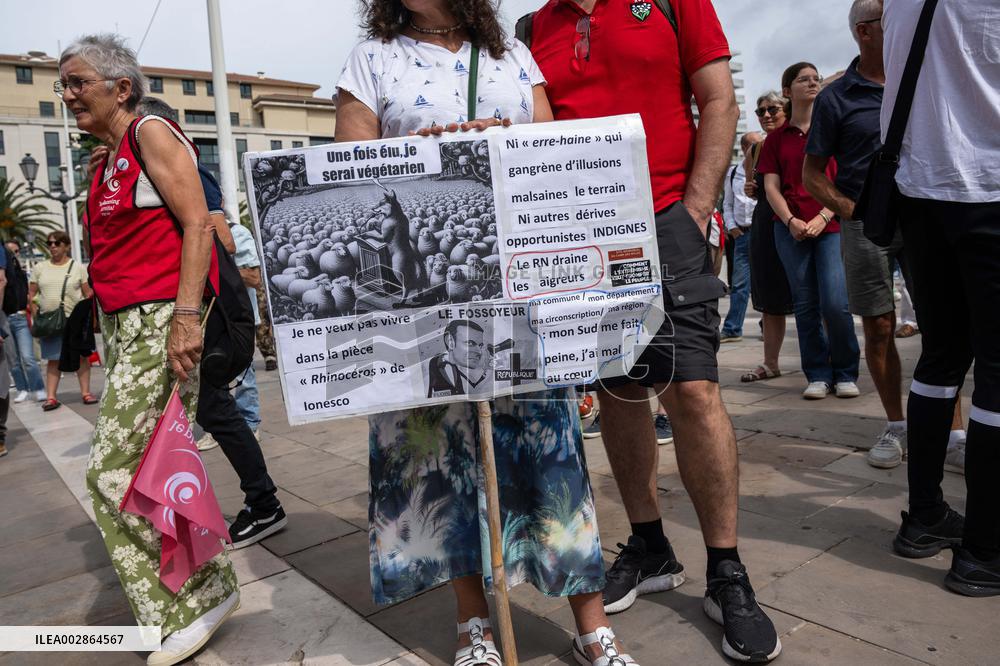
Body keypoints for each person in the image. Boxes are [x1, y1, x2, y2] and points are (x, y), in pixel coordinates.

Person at [336, 3, 630, 665]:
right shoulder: (370, 60)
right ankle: (473, 622)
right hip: (423, 290)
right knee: (438, 452)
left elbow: (553, 157)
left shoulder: (512, 56)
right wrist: (430, 155)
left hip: (518, 279)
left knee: (551, 444)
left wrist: (499, 138)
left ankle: (593, 623)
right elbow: (350, 171)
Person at [527, 1, 781, 661]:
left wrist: (696, 209)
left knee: (692, 390)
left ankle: (725, 567)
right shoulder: (537, 26)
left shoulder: (675, 2)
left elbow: (719, 100)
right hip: (581, 233)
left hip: (669, 217)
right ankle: (649, 544)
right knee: (617, 392)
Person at [62, 34, 238, 665]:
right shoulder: (102, 162)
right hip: (123, 327)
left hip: (163, 320)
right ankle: (201, 591)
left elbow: (198, 223)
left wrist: (186, 318)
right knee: (149, 468)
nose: (68, 93)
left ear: (122, 88)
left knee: (109, 473)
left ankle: (198, 596)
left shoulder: (150, 135)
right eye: (65, 84)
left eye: (79, 81)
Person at [881, 0, 999, 596]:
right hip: (988, 186)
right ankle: (985, 550)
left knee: (941, 358)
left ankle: (924, 516)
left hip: (920, 194)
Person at [802, 0, 908, 465]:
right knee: (880, 326)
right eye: (891, 23)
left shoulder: (919, 80)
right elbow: (812, 174)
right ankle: (896, 425)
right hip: (867, 226)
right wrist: (852, 211)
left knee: (947, 330)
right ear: (866, 32)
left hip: (927, 217)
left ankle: (954, 433)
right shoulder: (836, 96)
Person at [758, 62, 861, 400]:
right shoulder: (775, 139)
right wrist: (791, 221)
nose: (813, 83)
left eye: (816, 78)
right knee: (805, 304)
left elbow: (844, 179)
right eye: (804, 79)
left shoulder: (833, 130)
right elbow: (771, 187)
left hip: (829, 225)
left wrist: (823, 214)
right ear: (788, 90)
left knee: (835, 301)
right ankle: (817, 373)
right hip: (789, 229)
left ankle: (845, 371)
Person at [742, 92, 793, 383]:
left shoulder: (802, 138)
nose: (766, 115)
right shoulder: (757, 149)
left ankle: (829, 360)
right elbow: (751, 184)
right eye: (760, 111)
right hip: (766, 224)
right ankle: (770, 362)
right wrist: (751, 189)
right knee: (770, 298)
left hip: (800, 221)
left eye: (772, 108)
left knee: (819, 296)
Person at [28, 230, 96, 411]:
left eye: (57, 243)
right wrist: (35, 314)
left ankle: (86, 393)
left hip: (74, 320)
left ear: (67, 246)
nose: (52, 247)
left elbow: (88, 293)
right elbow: (32, 293)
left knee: (82, 357)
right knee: (53, 359)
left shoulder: (77, 267)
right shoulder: (40, 268)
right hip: (50, 321)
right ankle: (51, 397)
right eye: (49, 243)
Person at [720, 132, 764, 342]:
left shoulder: (764, 169)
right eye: (755, 144)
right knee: (739, 284)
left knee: (765, 280)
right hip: (742, 233)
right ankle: (732, 328)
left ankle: (768, 326)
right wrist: (732, 228)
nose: (759, 148)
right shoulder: (733, 173)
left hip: (762, 231)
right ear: (745, 146)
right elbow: (727, 204)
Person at [4, 241, 46, 403]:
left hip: (20, 318)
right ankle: (22, 388)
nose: (12, 254)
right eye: (9, 252)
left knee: (28, 357)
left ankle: (38, 388)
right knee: (13, 360)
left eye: (15, 251)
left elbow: (28, 295)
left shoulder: (20, 274)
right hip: (5, 319)